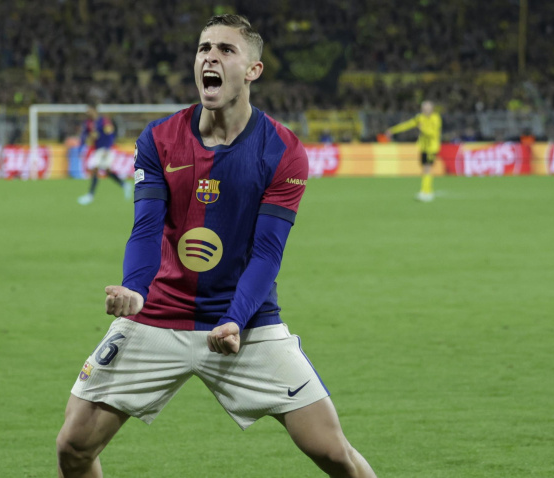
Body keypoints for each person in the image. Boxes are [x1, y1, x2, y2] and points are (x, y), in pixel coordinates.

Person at [57, 14, 377, 478]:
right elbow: (146, 229)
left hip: (245, 320)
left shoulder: (282, 151)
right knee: (73, 446)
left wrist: (234, 319)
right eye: (204, 48)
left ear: (253, 70)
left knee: (333, 452)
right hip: (159, 313)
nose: (210, 56)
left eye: (226, 50)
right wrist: (134, 290)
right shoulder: (160, 139)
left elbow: (267, 253)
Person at [385, 101, 442, 202]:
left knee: (427, 168)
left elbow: (433, 133)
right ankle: (427, 190)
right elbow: (407, 125)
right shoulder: (420, 118)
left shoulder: (435, 118)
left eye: (427, 108)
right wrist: (392, 130)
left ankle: (426, 192)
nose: (424, 110)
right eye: (423, 108)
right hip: (423, 147)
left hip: (432, 147)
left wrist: (422, 128)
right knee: (424, 168)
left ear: (432, 109)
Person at [77, 104, 132, 205]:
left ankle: (90, 195)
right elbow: (84, 136)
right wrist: (82, 147)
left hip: (106, 150)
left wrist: (107, 149)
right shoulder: (88, 123)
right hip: (97, 149)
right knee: (107, 171)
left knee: (95, 169)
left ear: (94, 110)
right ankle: (124, 184)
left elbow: (110, 135)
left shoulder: (103, 121)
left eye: (89, 110)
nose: (88, 113)